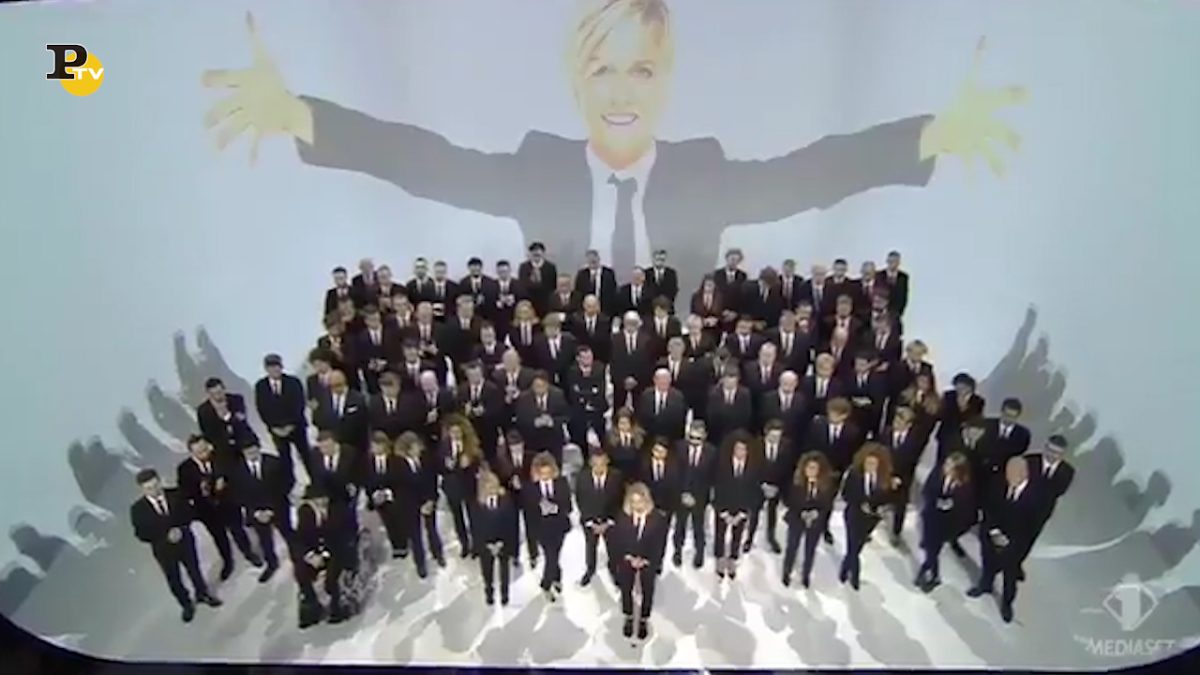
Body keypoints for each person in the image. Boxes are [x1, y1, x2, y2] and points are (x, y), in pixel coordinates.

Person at [130, 468, 222, 622]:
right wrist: (164, 536)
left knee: (194, 570)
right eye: (149, 488)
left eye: (156, 485)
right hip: (164, 550)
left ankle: (203, 594)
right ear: (142, 489)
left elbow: (189, 513)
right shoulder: (138, 510)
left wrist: (180, 528)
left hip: (185, 541)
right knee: (174, 579)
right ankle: (186, 605)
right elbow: (141, 534)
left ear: (160, 481)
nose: (154, 490)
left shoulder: (176, 494)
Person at [177, 435, 261, 581]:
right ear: (192, 453)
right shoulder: (185, 469)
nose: (204, 454)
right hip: (207, 511)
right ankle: (227, 561)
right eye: (200, 452)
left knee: (237, 530)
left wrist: (225, 483)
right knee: (219, 537)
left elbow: (234, 473)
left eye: (205, 449)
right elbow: (185, 492)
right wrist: (201, 489)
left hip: (228, 503)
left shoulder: (220, 457)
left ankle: (248, 553)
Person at [968, 456, 1039, 623]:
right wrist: (994, 533)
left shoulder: (1035, 497)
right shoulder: (997, 484)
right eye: (1008, 473)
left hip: (1014, 543)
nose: (1008, 477)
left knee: (1010, 575)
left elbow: (1031, 526)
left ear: (1024, 474)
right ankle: (985, 585)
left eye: (1013, 474)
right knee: (988, 563)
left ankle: (1007, 603)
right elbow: (988, 508)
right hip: (992, 534)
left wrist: (1009, 541)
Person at [611, 481, 669, 641]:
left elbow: (660, 544)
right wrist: (627, 557)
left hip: (647, 560)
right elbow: (617, 541)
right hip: (627, 559)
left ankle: (644, 618)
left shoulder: (658, 519)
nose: (637, 506)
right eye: (633, 502)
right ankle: (628, 616)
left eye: (640, 501)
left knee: (647, 590)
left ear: (647, 500)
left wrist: (647, 560)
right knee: (626, 589)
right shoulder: (622, 517)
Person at [293, 483, 358, 627]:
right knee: (301, 571)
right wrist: (310, 556)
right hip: (315, 552)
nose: (321, 502)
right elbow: (299, 539)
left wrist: (325, 555)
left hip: (336, 551)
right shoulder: (305, 513)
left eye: (324, 498)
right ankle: (311, 606)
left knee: (332, 578)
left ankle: (338, 605)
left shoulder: (338, 509)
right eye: (317, 499)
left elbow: (344, 537)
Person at [229, 442, 291, 583]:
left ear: (258, 448)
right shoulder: (237, 470)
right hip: (256, 511)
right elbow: (237, 494)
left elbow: (286, 484)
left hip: (278, 507)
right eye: (248, 452)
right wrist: (256, 512)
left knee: (288, 533)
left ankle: (298, 557)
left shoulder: (274, 463)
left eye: (253, 450)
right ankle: (272, 563)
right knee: (265, 539)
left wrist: (270, 510)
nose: (252, 454)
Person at [915, 452, 977, 592]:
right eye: (946, 464)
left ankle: (932, 575)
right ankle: (930, 571)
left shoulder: (965, 487)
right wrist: (937, 502)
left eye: (950, 466)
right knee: (931, 549)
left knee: (933, 551)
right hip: (931, 517)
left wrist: (951, 505)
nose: (945, 467)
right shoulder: (937, 474)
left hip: (946, 525)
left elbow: (965, 510)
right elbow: (927, 491)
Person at [839, 443, 895, 591]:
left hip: (870, 520)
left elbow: (887, 498)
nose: (870, 466)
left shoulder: (884, 478)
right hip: (853, 515)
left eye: (873, 464)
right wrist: (860, 503)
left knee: (856, 547)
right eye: (868, 463)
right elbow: (845, 494)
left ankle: (845, 567)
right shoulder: (854, 475)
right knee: (852, 546)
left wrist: (879, 508)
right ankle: (854, 575)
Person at [781, 452, 836, 588]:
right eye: (808, 467)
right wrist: (802, 513)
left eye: (814, 468)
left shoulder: (826, 485)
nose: (811, 471)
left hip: (815, 522)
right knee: (792, 546)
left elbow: (827, 505)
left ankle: (806, 574)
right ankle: (787, 572)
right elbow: (788, 500)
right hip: (796, 519)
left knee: (810, 549)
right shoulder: (795, 482)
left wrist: (816, 514)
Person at [1024, 434, 1075, 578]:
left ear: (1063, 454)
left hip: (1041, 512)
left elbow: (1060, 491)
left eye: (1057, 453)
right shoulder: (1029, 461)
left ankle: (1016, 564)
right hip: (1020, 506)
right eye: (1051, 450)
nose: (1052, 455)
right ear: (1045, 447)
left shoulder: (1067, 472)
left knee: (1028, 540)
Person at [523, 451, 572, 601]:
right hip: (541, 529)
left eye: (548, 473)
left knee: (555, 555)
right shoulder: (531, 488)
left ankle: (557, 577)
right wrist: (541, 509)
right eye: (542, 473)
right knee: (551, 557)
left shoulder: (562, 483)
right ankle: (546, 585)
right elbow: (528, 511)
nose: (545, 476)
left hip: (559, 527)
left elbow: (568, 506)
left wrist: (555, 508)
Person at [253, 353, 310, 480]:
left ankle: (316, 482)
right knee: (285, 461)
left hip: (297, 427)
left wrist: (291, 425)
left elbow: (299, 404)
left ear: (281, 366)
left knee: (307, 456)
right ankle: (290, 484)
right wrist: (274, 427)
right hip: (276, 430)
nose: (275, 369)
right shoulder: (261, 386)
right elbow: (262, 408)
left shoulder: (293, 382)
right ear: (266, 369)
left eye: (277, 366)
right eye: (271, 367)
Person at [396, 431, 445, 577]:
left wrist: (430, 500)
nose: (419, 448)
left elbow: (432, 480)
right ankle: (420, 563)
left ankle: (438, 553)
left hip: (428, 500)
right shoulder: (397, 465)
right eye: (415, 446)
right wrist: (419, 506)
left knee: (432, 529)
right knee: (415, 536)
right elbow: (402, 490)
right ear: (408, 449)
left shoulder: (427, 458)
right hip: (410, 505)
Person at [713, 431, 760, 580]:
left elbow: (754, 491)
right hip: (724, 507)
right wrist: (723, 512)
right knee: (720, 533)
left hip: (741, 509)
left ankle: (733, 558)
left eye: (743, 449)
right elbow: (717, 489)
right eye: (738, 448)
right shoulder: (722, 464)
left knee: (737, 535)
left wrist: (743, 513)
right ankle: (720, 558)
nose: (740, 452)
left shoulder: (753, 466)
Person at [574, 447, 623, 586]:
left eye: (602, 463)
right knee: (590, 547)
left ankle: (613, 570)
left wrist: (609, 522)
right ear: (590, 463)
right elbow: (580, 501)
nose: (599, 467)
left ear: (607, 461)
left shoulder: (617, 477)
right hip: (590, 522)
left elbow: (619, 501)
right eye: (596, 464)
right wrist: (591, 522)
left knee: (613, 548)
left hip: (610, 522)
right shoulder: (582, 478)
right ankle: (590, 570)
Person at [672, 420, 717, 568]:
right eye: (691, 437)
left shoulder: (712, 452)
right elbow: (675, 473)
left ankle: (699, 552)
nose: (694, 441)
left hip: (700, 497)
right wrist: (682, 493)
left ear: (704, 436)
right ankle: (677, 550)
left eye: (698, 438)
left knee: (699, 526)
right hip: (681, 495)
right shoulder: (679, 447)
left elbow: (712, 477)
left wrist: (699, 497)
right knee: (680, 525)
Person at [438, 415, 484, 557]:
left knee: (473, 516)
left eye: (458, 432)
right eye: (453, 432)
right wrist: (448, 466)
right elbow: (438, 466)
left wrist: (470, 464)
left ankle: (477, 545)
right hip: (452, 487)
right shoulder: (443, 446)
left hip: (469, 486)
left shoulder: (471, 444)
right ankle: (464, 544)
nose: (456, 435)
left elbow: (479, 464)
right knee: (458, 518)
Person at [746, 419, 795, 553]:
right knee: (754, 513)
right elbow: (751, 467)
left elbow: (787, 468)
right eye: (772, 436)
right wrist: (762, 485)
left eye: (778, 436)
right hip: (758, 486)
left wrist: (776, 487)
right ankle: (749, 538)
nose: (775, 439)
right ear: (766, 433)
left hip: (776, 487)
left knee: (772, 513)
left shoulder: (787, 446)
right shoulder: (755, 444)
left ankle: (771, 537)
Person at [472, 470, 518, 606]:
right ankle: (489, 591)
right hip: (486, 545)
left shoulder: (506, 501)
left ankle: (505, 594)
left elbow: (510, 524)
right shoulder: (477, 504)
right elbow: (476, 528)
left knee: (504, 570)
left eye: (494, 485)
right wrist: (486, 545)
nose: (492, 489)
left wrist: (502, 543)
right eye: (488, 486)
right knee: (487, 571)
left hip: (503, 543)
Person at [363, 431, 406, 559]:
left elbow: (401, 480)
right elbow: (367, 480)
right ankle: (396, 546)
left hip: (395, 498)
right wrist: (374, 494)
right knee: (388, 522)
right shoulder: (368, 462)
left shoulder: (396, 461)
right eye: (373, 446)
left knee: (398, 521)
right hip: (378, 499)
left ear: (384, 445)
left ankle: (403, 545)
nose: (374, 448)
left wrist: (387, 493)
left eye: (377, 445)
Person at [196, 377, 256, 461]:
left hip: (244, 443)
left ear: (224, 389)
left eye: (219, 392)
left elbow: (241, 419)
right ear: (208, 394)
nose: (217, 396)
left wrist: (227, 416)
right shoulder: (203, 410)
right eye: (213, 394)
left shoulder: (237, 400)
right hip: (222, 450)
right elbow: (206, 432)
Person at [608, 408, 645, 482]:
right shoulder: (610, 436)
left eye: (626, 423)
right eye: (621, 423)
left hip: (635, 473)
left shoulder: (640, 435)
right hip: (617, 473)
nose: (624, 426)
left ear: (631, 423)